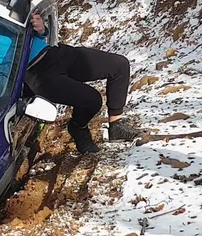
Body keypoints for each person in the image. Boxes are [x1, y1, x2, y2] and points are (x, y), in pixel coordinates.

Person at [24, 11, 141, 153]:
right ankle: (78, 127)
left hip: (55, 52)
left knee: (120, 65)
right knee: (92, 100)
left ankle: (116, 126)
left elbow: (30, 33)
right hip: (36, 73)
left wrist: (41, 30)